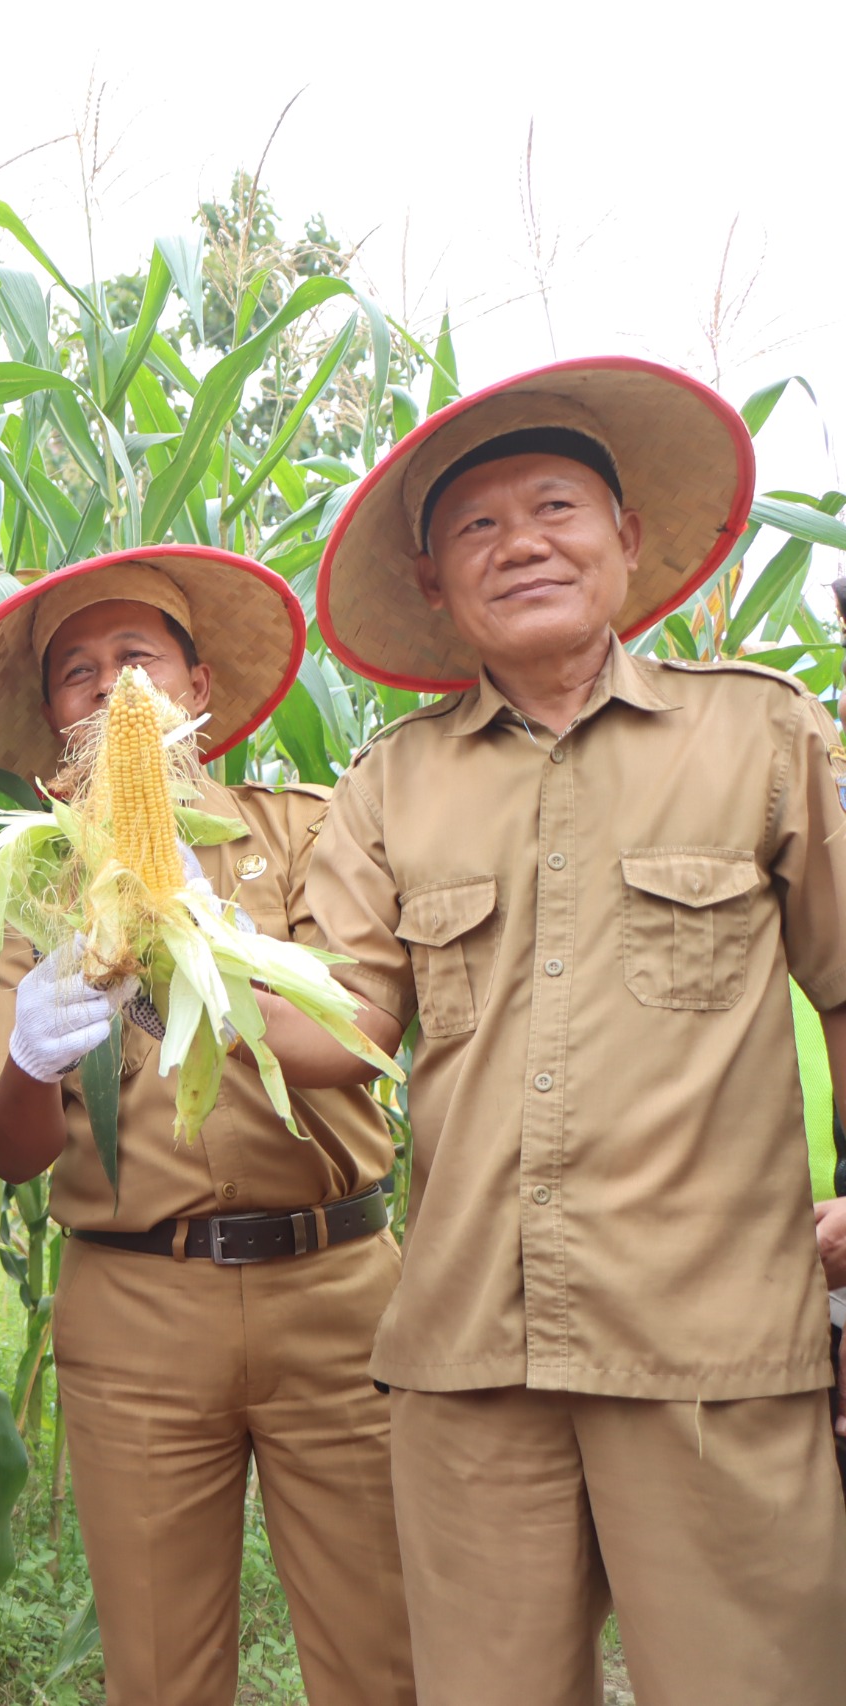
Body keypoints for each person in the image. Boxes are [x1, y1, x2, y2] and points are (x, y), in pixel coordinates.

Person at [293, 357, 846, 1702]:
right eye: (476, 527)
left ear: (627, 538)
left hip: (713, 1341)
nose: (522, 543)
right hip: (473, 1349)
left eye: (554, 506)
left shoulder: (762, 732)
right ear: (433, 582)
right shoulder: (390, 784)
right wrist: (162, 963)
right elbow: (340, 1025)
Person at [0, 546, 415, 1706]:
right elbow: (12, 1145)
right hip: (138, 1301)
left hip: (341, 1286)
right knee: (158, 1670)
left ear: (197, 686)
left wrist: (197, 952)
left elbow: (361, 1035)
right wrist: (31, 1054)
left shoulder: (305, 831)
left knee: (386, 1653)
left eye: (137, 660)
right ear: (53, 716)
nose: (110, 690)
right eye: (77, 674)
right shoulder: (27, 886)